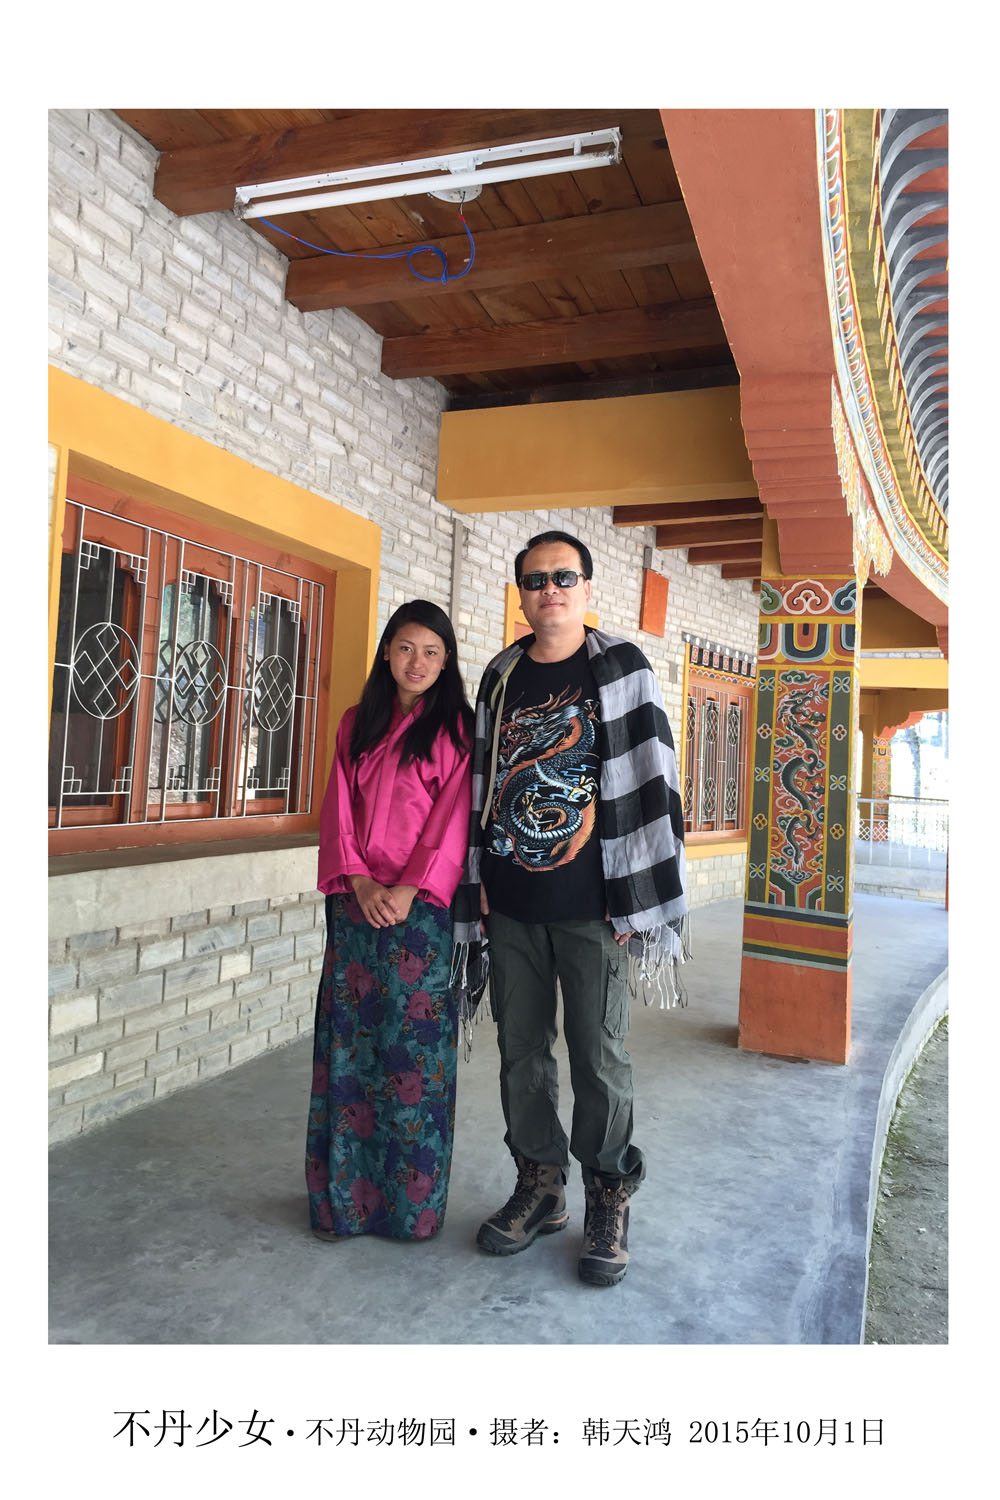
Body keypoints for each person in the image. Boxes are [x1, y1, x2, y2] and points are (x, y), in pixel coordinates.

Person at [451, 531, 687, 1286]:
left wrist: (639, 893)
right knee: (522, 1051)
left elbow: (654, 779)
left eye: (563, 577)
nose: (548, 589)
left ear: (587, 588)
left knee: (599, 1055)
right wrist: (479, 878)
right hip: (511, 904)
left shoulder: (622, 668)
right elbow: (481, 783)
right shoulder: (501, 674)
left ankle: (608, 1195)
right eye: (535, 579)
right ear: (521, 594)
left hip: (595, 908)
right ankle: (541, 1184)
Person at [305, 599, 474, 1243]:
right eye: (406, 647)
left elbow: (452, 818)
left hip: (419, 913)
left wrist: (407, 888)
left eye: (432, 652)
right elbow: (338, 808)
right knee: (349, 1045)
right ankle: (342, 1204)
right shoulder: (358, 722)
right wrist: (359, 879)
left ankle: (409, 1209)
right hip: (355, 905)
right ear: (386, 651)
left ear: (446, 662)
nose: (417, 662)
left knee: (411, 1055)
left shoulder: (457, 730)